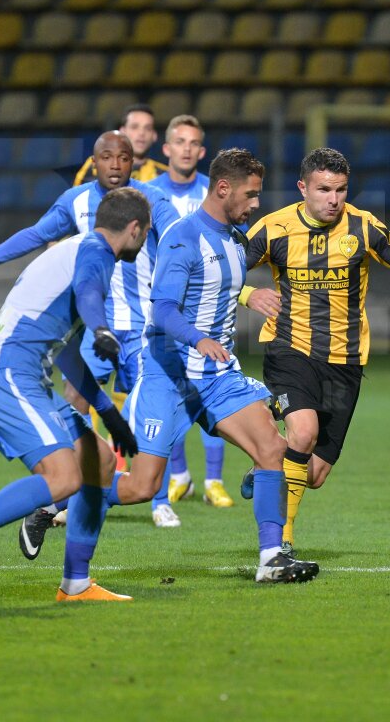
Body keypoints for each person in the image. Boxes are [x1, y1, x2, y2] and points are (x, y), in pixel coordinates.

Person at [0, 131, 183, 531]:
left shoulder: (149, 199)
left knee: (137, 421)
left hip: (140, 326)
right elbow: (42, 239)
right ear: (94, 162)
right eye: (107, 157)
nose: (116, 165)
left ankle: (150, 500)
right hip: (90, 326)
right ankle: (56, 501)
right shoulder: (82, 222)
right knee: (76, 412)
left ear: (133, 162)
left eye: (124, 158)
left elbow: (176, 237)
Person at [0, 188, 148, 602]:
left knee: (97, 461)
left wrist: (107, 413)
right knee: (62, 477)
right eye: (145, 234)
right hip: (7, 373)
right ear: (135, 228)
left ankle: (76, 584)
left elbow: (71, 358)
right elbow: (91, 298)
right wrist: (102, 329)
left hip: (26, 375)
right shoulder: (96, 253)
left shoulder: (80, 249)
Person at [240, 147, 390, 556]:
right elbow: (221, 270)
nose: (334, 199)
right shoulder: (273, 229)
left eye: (341, 190)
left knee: (314, 473)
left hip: (346, 359)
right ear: (302, 188)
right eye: (324, 189)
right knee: (303, 433)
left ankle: (266, 460)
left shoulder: (363, 227)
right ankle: (281, 543)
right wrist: (248, 294)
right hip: (289, 347)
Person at [124, 147, 318, 582]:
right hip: (170, 374)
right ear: (224, 188)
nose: (255, 204)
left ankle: (271, 560)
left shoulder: (234, 239)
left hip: (216, 377)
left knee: (272, 448)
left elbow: (223, 289)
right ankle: (60, 500)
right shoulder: (182, 237)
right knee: (142, 487)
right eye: (250, 195)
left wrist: (252, 300)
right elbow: (164, 310)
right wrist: (200, 338)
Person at [146, 115, 233, 509]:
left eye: (193, 143)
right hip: (167, 310)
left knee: (213, 390)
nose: (185, 148)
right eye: (178, 141)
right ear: (166, 149)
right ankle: (179, 475)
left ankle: (214, 481)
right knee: (175, 395)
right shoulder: (148, 193)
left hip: (208, 312)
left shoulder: (214, 194)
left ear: (201, 152)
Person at [73, 104, 166, 186]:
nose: (142, 133)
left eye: (148, 128)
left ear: (154, 135)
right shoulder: (97, 164)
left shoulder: (165, 174)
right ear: (122, 132)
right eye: (134, 127)